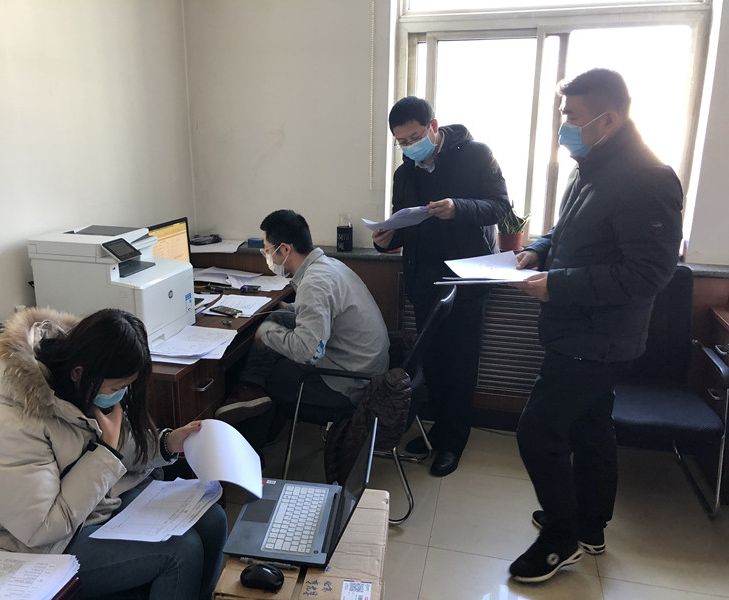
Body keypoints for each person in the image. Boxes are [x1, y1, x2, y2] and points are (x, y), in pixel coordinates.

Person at [507, 68, 683, 583]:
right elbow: (567, 230)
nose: (564, 126)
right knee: (590, 426)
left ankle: (560, 539)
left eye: (572, 116)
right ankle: (590, 524)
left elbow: (648, 273)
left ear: (608, 120)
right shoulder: (590, 167)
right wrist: (539, 249)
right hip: (578, 330)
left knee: (537, 432)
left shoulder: (648, 178)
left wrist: (557, 285)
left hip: (599, 338)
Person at [0, 307, 227, 600]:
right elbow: (41, 529)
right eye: (118, 387)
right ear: (78, 373)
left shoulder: (79, 388)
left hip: (83, 514)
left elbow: (118, 443)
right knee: (179, 552)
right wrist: (106, 453)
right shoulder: (8, 426)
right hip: (14, 545)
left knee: (212, 519)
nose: (121, 394)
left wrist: (167, 443)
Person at [372, 96, 510, 477]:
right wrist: (386, 239)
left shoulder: (477, 155)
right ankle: (439, 430)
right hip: (424, 281)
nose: (409, 146)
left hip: (467, 279)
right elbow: (405, 225)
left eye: (415, 137)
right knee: (433, 361)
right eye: (401, 142)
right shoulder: (405, 174)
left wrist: (457, 208)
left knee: (461, 363)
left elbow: (501, 206)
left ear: (434, 127)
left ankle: (455, 440)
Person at [213, 209, 390, 457]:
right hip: (364, 365)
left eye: (267, 250)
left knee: (269, 374)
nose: (267, 257)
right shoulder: (328, 266)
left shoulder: (314, 283)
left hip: (349, 383)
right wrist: (289, 309)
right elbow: (324, 310)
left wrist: (266, 333)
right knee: (277, 318)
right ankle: (249, 388)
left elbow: (308, 352)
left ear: (285, 249)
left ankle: (251, 450)